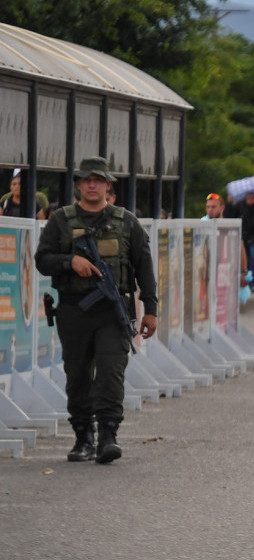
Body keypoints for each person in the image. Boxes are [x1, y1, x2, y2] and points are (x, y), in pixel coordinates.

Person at [34, 156, 158, 464]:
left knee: (110, 373)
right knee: (77, 375)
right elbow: (42, 259)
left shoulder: (126, 222)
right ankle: (83, 437)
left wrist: (151, 309)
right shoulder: (61, 220)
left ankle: (108, 436)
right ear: (78, 184)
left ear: (107, 186)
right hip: (75, 310)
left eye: (98, 180)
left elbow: (144, 267)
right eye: (87, 179)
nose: (92, 184)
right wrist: (70, 262)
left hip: (112, 314)